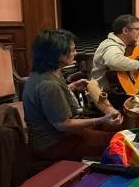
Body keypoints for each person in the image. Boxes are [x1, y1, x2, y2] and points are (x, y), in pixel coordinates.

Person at [23, 29, 122, 163]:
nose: (75, 53)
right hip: (53, 142)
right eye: (72, 50)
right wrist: (101, 119)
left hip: (57, 134)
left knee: (112, 128)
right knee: (114, 140)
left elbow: (49, 100)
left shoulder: (43, 73)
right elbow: (63, 124)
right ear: (58, 55)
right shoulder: (49, 85)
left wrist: (71, 87)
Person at [91, 14, 139, 109]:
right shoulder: (112, 46)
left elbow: (130, 64)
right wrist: (138, 65)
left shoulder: (122, 45)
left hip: (120, 90)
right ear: (125, 30)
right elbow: (114, 62)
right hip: (108, 96)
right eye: (137, 29)